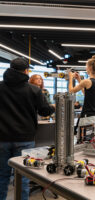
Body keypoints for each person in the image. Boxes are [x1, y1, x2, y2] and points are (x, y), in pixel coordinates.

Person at [0, 57, 55, 200]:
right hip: (25, 139)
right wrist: (52, 108)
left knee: (1, 177)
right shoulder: (34, 90)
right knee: (23, 179)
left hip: (2, 139)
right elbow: (44, 111)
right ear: (26, 71)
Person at [69, 55, 95, 136]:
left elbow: (71, 90)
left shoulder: (87, 81)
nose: (86, 68)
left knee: (83, 144)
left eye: (86, 66)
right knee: (94, 143)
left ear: (90, 67)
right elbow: (87, 93)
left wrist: (70, 78)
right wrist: (78, 80)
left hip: (86, 118)